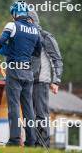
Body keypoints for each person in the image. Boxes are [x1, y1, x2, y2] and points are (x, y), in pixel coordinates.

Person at [0, 1, 42, 146]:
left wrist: (9, 49)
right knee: (28, 108)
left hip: (14, 70)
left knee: (14, 106)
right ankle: (31, 141)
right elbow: (37, 52)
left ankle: (14, 140)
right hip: (28, 72)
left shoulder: (12, 25)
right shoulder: (35, 29)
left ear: (15, 13)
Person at [28, 11, 63, 147]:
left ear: (31, 20)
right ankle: (32, 145)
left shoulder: (46, 36)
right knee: (29, 115)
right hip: (27, 81)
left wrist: (56, 80)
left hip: (42, 81)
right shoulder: (26, 37)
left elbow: (57, 59)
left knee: (41, 114)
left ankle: (43, 146)